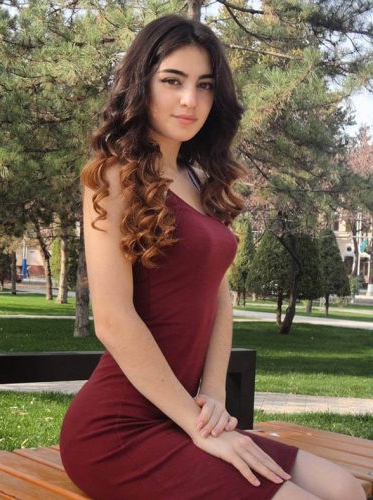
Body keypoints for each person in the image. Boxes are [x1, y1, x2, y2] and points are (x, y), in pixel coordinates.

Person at [59, 14, 365, 500]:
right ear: (142, 84)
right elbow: (113, 320)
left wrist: (215, 397)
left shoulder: (198, 179)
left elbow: (220, 298)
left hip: (185, 417)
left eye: (204, 85)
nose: (190, 99)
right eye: (172, 81)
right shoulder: (112, 175)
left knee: (345, 488)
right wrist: (198, 426)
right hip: (116, 433)